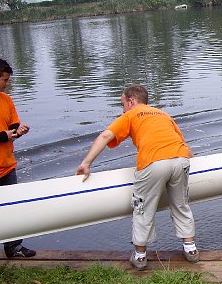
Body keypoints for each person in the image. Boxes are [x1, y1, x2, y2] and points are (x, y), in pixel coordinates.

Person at [75, 84, 198, 271]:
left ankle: (140, 256)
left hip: (154, 162)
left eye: (122, 104)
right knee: (180, 204)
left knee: (142, 208)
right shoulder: (163, 114)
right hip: (181, 159)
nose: (122, 108)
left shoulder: (131, 114)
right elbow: (183, 143)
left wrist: (86, 163)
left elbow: (107, 135)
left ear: (131, 101)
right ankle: (191, 250)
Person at [0, 57, 36, 271]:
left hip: (7, 165)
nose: (7, 84)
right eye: (4, 80)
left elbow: (12, 125)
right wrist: (2, 137)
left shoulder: (6, 99)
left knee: (12, 208)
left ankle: (13, 246)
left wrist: (19, 131)